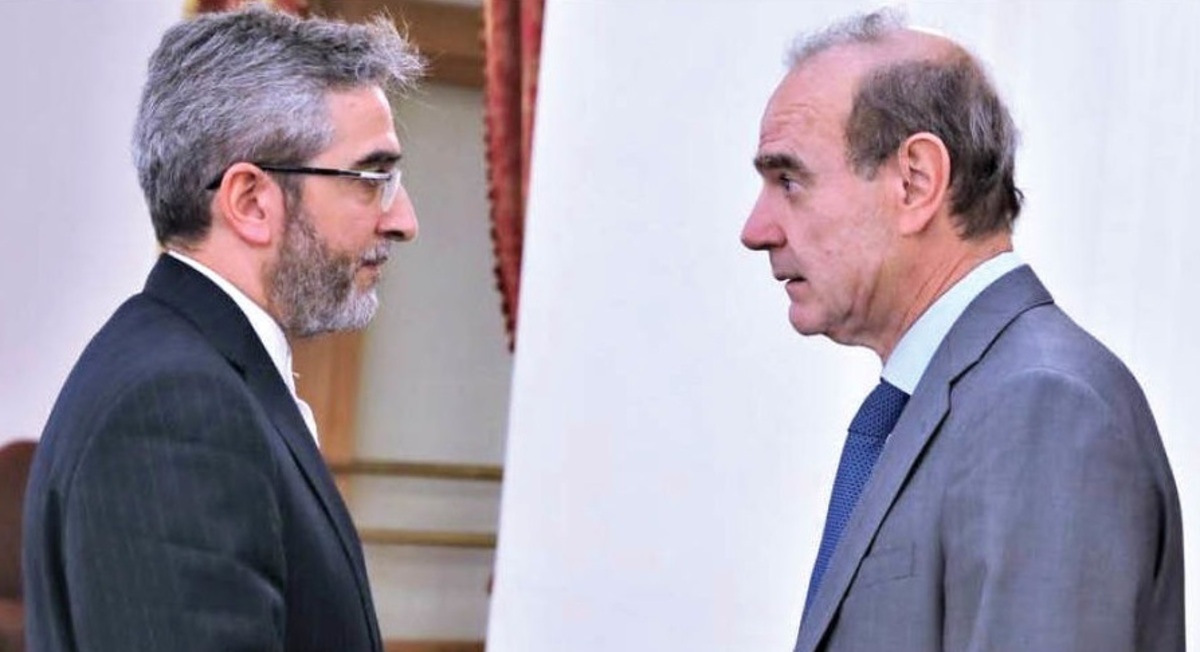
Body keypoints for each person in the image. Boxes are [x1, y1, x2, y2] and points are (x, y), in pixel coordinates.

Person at [740, 8, 1184, 652]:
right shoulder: (974, 399)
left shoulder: (1042, 407)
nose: (756, 230)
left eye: (789, 180)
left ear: (916, 181)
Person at [22, 6, 423, 651]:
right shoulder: (177, 404)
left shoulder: (187, 368)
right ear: (250, 201)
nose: (403, 219)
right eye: (372, 178)